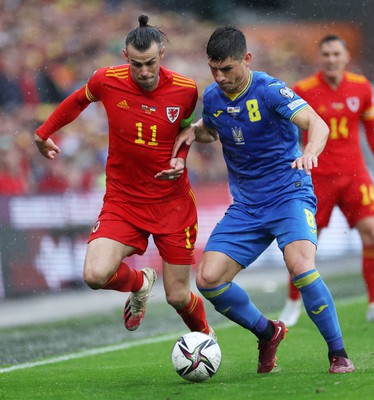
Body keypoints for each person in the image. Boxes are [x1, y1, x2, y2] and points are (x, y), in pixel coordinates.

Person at [173, 26, 354, 374]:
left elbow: (317, 124)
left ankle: (338, 353)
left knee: (301, 266)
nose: (220, 77)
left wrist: (310, 153)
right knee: (208, 280)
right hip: (247, 206)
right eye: (214, 68)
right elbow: (214, 129)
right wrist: (195, 131)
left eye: (227, 68)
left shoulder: (270, 90)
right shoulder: (211, 97)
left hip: (289, 195)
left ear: (247, 60)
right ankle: (268, 332)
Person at [34, 15, 214, 338]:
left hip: (171, 202)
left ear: (161, 56)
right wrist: (43, 132)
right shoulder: (107, 79)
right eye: (136, 64)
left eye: (149, 64)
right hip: (123, 200)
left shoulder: (186, 90)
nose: (144, 72)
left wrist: (181, 159)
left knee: (177, 296)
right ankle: (140, 282)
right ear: (124, 56)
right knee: (94, 274)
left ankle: (205, 338)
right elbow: (77, 101)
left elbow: (186, 131)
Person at [279, 34, 374, 326]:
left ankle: (373, 301)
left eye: (336, 54)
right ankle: (292, 303)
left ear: (346, 57)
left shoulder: (362, 87)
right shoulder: (303, 90)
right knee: (304, 244)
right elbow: (287, 135)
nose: (331, 59)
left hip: (355, 175)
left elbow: (371, 131)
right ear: (320, 58)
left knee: (371, 232)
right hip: (316, 178)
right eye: (326, 55)